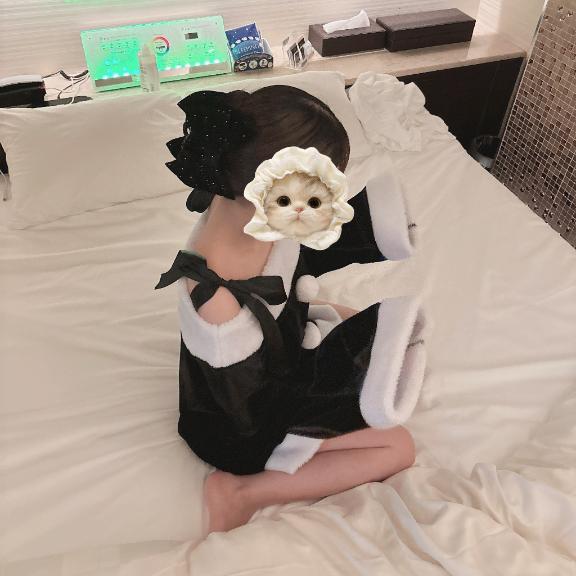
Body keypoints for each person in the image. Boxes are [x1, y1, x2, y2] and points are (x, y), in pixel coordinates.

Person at [156, 86, 424, 534]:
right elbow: (249, 416)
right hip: (240, 431)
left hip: (269, 360)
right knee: (398, 446)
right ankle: (241, 492)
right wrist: (336, 390)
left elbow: (290, 274)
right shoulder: (219, 302)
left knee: (356, 326)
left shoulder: (235, 197)